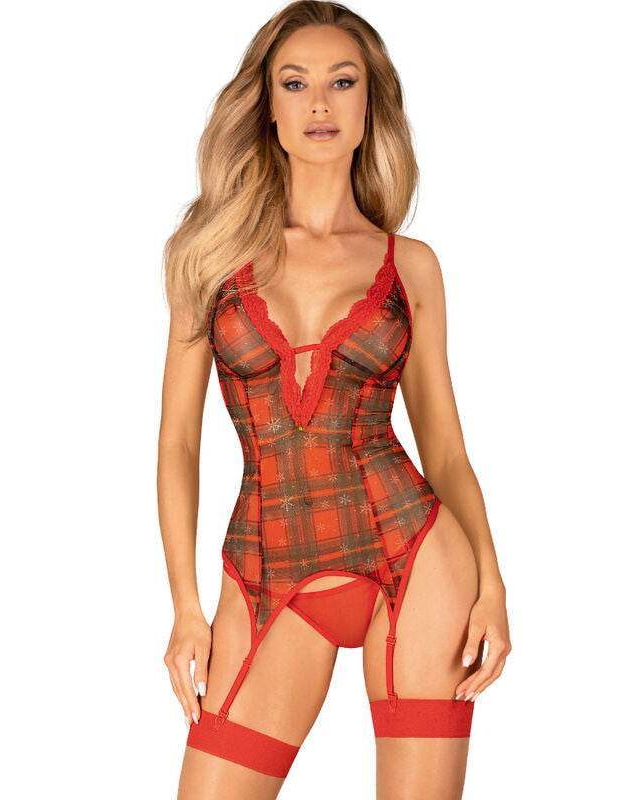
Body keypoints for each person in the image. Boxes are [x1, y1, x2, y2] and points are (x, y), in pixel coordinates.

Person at [157, 2, 511, 797]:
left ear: (369, 103)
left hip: (413, 554)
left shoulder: (409, 266)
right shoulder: (206, 258)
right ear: (267, 106)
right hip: (266, 567)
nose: (319, 103)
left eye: (342, 82)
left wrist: (492, 583)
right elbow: (178, 441)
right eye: (295, 83)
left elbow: (444, 447)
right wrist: (185, 606)